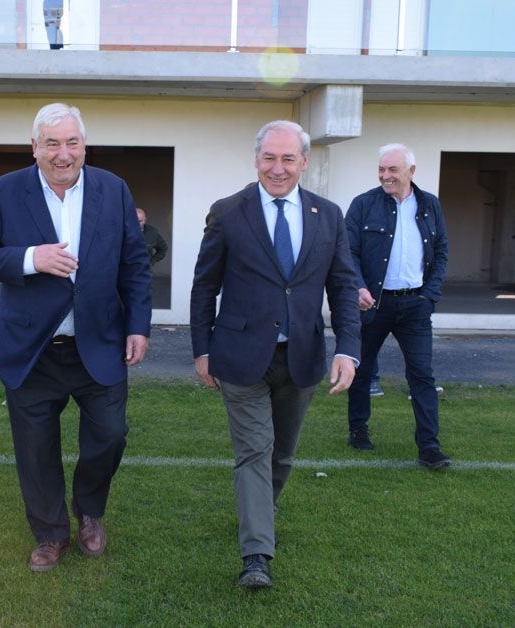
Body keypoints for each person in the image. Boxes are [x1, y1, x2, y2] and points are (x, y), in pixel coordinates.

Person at [0, 103, 152, 573]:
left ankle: (89, 510)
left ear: (84, 145)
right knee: (35, 447)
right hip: (32, 348)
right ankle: (49, 533)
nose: (63, 154)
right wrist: (31, 258)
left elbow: (134, 262)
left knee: (110, 435)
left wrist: (138, 326)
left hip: (100, 343)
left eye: (72, 142)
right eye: (52, 143)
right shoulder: (5, 193)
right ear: (34, 148)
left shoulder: (113, 188)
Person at [190, 120, 360, 589]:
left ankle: (261, 509)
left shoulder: (327, 215)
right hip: (240, 355)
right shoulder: (227, 213)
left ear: (304, 162)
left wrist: (348, 347)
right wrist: (201, 349)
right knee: (253, 452)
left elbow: (344, 285)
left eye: (288, 159)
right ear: (256, 159)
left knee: (281, 455)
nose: (278, 168)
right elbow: (205, 285)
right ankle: (256, 556)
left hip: (302, 356)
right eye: (270, 157)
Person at [345, 143, 452, 470]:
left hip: (415, 305)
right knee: (362, 370)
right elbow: (348, 253)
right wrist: (359, 286)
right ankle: (358, 429)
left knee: (422, 375)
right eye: (382, 169)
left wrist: (429, 296)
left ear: (411, 172)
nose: (385, 175)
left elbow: (442, 251)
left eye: (392, 169)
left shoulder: (429, 206)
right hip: (373, 304)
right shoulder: (364, 204)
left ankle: (429, 447)